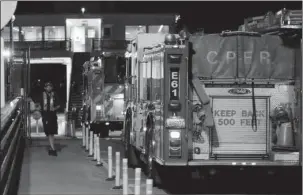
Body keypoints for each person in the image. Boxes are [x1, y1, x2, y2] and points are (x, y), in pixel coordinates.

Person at [36, 82, 61, 156]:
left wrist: (55, 108)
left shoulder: (54, 94)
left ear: (52, 88)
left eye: (50, 86)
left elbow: (59, 104)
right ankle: (53, 148)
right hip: (46, 115)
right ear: (45, 88)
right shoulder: (42, 95)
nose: (49, 88)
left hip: (53, 115)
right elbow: (38, 105)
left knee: (52, 132)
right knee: (49, 132)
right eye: (47, 87)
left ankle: (52, 148)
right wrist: (38, 110)